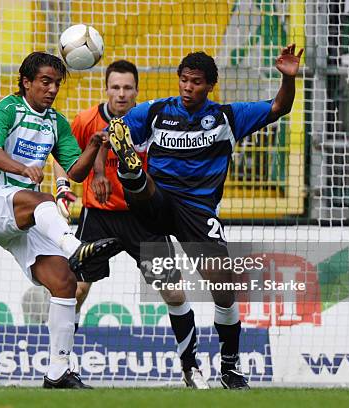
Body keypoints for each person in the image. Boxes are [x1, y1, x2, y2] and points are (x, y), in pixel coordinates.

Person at [107, 45, 303, 389]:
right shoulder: (155, 112)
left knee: (224, 288)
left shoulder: (228, 117)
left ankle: (229, 368)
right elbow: (115, 130)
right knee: (139, 177)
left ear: (209, 85)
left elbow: (278, 107)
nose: (187, 87)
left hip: (197, 210)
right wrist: (113, 140)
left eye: (195, 82)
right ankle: (133, 175)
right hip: (157, 199)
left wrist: (287, 79)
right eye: (183, 80)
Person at [0, 51, 121, 389]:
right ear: (26, 82)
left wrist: (95, 146)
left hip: (28, 217)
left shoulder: (57, 122)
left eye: (56, 83)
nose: (52, 89)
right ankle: (75, 246)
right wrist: (22, 167)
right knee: (43, 199)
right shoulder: (8, 108)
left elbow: (76, 173)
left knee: (66, 282)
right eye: (45, 82)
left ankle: (58, 373)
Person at [52, 60, 206, 388]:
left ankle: (191, 368)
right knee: (75, 289)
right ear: (106, 89)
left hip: (144, 217)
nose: (121, 94)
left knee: (174, 292)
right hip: (99, 217)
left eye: (127, 88)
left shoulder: (153, 121)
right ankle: (62, 366)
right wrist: (65, 189)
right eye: (115, 87)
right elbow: (61, 158)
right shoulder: (85, 120)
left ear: (137, 91)